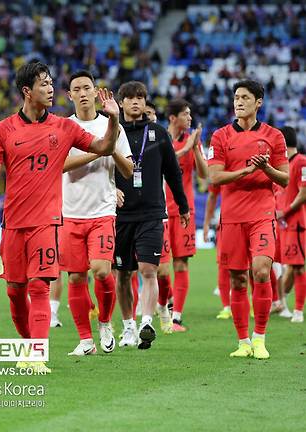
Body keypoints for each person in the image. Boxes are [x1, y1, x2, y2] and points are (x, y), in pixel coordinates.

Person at [0, 61, 120, 373]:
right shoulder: (2, 130)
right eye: (44, 83)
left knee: (39, 288)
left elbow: (104, 147)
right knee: (14, 294)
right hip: (13, 224)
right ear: (27, 91)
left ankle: (38, 354)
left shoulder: (65, 127)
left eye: (51, 82)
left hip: (47, 223)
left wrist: (114, 120)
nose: (50, 88)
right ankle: (30, 346)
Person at [53, 70, 133, 355]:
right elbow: (60, 165)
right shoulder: (62, 127)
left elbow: (128, 170)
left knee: (101, 271)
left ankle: (104, 323)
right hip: (70, 212)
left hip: (102, 211)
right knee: (75, 278)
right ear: (70, 95)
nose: (84, 92)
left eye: (88, 87)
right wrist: (99, 150)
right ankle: (85, 340)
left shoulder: (112, 125)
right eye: (78, 88)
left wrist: (110, 137)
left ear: (95, 91)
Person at [208, 79, 288, 359]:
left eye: (244, 97)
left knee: (262, 271)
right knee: (238, 280)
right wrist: (243, 172)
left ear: (258, 103)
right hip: (231, 218)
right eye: (236, 97)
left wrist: (265, 168)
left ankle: (260, 338)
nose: (238, 102)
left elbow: (286, 178)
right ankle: (242, 342)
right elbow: (213, 177)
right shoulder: (219, 136)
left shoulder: (274, 136)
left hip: (262, 215)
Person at [114, 81, 190, 350]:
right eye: (130, 98)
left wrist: (183, 206)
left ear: (145, 103)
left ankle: (146, 321)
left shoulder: (158, 133)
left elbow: (173, 172)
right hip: (119, 215)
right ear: (121, 102)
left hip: (152, 213)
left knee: (148, 270)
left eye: (140, 98)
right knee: (122, 274)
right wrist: (110, 191)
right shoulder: (113, 132)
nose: (136, 102)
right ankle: (128, 327)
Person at [164, 99, 208, 331]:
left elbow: (204, 174)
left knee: (180, 263)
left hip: (184, 212)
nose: (190, 118)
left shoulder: (192, 142)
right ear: (173, 118)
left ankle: (176, 317)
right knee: (160, 267)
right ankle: (166, 308)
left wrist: (195, 147)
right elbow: (164, 164)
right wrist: (185, 147)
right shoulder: (159, 138)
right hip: (160, 211)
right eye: (186, 114)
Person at [274, 126, 306, 324]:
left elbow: (303, 193)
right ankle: (280, 303)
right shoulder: (280, 166)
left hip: (295, 224)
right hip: (279, 225)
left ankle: (298, 311)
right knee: (274, 265)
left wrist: (285, 211)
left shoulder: (301, 162)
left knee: (298, 268)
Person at [203, 182, 232, 319]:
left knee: (252, 266)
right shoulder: (220, 167)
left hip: (253, 221)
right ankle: (227, 307)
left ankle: (253, 305)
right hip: (226, 223)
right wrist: (207, 223)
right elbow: (212, 196)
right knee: (223, 265)